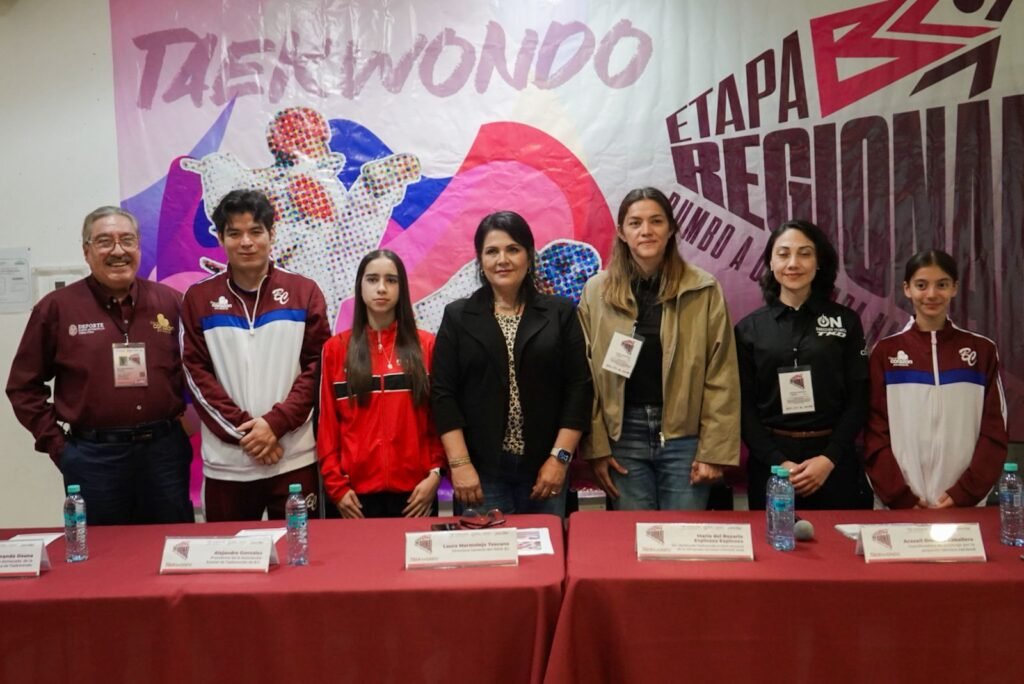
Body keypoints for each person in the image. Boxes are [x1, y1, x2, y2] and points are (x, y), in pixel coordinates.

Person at [6, 206, 194, 524]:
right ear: (86, 251)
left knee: (171, 545)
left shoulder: (171, 303)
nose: (118, 251)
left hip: (163, 455)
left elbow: (199, 371)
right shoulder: (57, 309)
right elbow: (23, 387)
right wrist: (59, 446)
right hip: (93, 459)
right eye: (105, 241)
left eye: (127, 240)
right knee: (101, 549)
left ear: (138, 247)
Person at [578, 187, 740, 510]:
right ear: (621, 233)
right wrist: (596, 446)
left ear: (671, 229)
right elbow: (585, 375)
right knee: (634, 535)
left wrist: (714, 451)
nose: (646, 230)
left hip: (685, 437)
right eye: (635, 223)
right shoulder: (596, 292)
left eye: (656, 221)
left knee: (683, 536)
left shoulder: (703, 289)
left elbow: (721, 374)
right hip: (622, 436)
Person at [180, 189, 331, 521]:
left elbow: (318, 368)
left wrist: (275, 425)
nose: (246, 242)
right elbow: (195, 373)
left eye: (255, 231)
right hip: (227, 465)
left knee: (300, 551)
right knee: (229, 553)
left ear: (272, 234)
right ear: (220, 238)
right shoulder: (199, 298)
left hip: (293, 458)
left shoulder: (304, 292)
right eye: (235, 233)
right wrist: (247, 434)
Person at [431, 211, 592, 515]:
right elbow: (443, 394)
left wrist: (559, 459)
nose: (502, 259)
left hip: (546, 469)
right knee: (490, 547)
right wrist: (460, 464)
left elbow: (579, 389)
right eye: (492, 251)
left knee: (547, 546)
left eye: (513, 249)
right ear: (480, 260)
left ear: (529, 257)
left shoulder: (560, 313)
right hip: (481, 473)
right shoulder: (458, 316)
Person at [735, 220, 871, 510]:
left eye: (805, 253)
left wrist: (828, 459)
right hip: (771, 466)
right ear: (771, 262)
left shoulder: (846, 322)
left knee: (839, 539)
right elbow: (743, 407)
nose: (793, 263)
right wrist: (778, 463)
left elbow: (859, 398)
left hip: (833, 463)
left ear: (819, 262)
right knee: (775, 540)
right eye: (783, 254)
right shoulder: (748, 329)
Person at [864, 249, 1008, 508]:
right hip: (899, 504)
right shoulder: (884, 352)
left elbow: (994, 430)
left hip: (963, 505)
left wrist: (965, 493)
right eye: (921, 285)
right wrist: (899, 495)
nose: (931, 294)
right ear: (907, 289)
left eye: (942, 285)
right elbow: (874, 430)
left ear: (954, 288)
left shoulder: (982, 351)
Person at [318, 250, 444, 518]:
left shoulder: (427, 346)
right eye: (373, 279)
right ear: (360, 286)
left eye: (391, 280)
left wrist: (435, 474)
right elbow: (327, 425)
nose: (382, 288)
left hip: (415, 496)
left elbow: (438, 419)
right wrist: (336, 487)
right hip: (353, 498)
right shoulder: (335, 349)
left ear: (402, 288)